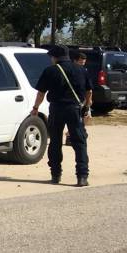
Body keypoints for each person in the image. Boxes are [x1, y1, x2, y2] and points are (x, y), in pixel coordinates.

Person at [31, 44, 92, 186]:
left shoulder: (50, 71)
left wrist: (35, 108)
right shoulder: (81, 70)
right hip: (74, 109)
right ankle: (82, 177)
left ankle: (55, 175)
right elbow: (89, 91)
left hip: (56, 109)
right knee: (80, 142)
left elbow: (41, 93)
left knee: (55, 142)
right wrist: (87, 107)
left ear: (55, 57)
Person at [66, 50, 94, 146]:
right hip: (75, 100)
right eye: (80, 62)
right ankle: (71, 136)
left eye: (84, 63)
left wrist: (89, 100)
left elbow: (89, 88)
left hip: (84, 99)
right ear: (75, 61)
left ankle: (76, 134)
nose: (82, 64)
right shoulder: (70, 71)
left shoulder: (84, 71)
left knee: (86, 117)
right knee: (75, 120)